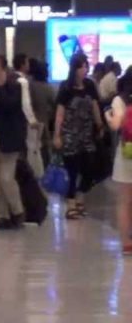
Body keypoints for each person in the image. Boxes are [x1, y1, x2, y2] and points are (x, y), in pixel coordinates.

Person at [0, 54, 37, 230]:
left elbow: (11, 105)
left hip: (8, 138)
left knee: (5, 177)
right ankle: (2, 215)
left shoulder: (14, 85)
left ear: (3, 69)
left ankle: (17, 211)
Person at [53, 54, 104, 220]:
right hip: (70, 135)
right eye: (81, 67)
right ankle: (71, 204)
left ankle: (81, 198)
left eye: (85, 66)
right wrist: (57, 135)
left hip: (87, 135)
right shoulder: (66, 87)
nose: (84, 70)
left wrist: (99, 125)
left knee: (90, 169)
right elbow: (60, 113)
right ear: (74, 68)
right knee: (72, 171)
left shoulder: (90, 85)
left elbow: (95, 106)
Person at [106, 73, 132, 255]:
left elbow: (115, 125)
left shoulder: (119, 101)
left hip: (126, 155)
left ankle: (126, 243)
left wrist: (108, 116)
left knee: (124, 202)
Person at [27, 58, 56, 169]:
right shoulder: (47, 88)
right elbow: (55, 104)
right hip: (43, 123)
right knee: (43, 151)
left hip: (29, 122)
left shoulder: (29, 84)